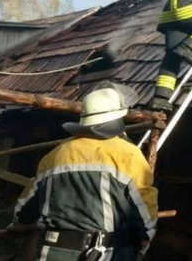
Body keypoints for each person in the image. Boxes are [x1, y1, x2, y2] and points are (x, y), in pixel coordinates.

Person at [11, 82, 158, 260]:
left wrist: (20, 225)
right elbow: (145, 217)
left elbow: (23, 214)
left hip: (52, 253)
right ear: (118, 117)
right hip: (104, 254)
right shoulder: (128, 155)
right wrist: (139, 250)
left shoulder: (54, 155)